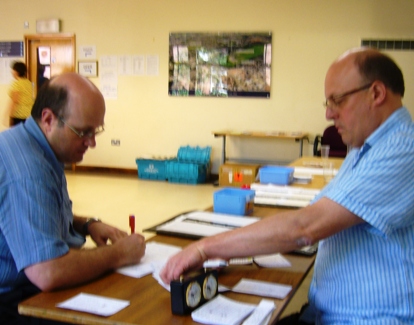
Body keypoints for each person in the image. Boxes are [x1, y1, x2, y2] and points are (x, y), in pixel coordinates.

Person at [161, 48, 414, 324]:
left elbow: (305, 228)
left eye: (337, 100)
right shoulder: (365, 144)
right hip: (328, 313)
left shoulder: (402, 149)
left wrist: (205, 248)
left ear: (376, 94)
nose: (329, 114)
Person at [0, 73, 146, 324]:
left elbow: (39, 212)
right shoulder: (28, 172)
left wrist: (87, 224)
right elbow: (48, 271)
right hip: (14, 298)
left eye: (96, 131)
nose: (91, 142)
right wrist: (119, 254)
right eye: (83, 132)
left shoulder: (30, 146)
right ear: (48, 119)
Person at [7, 61, 34, 126]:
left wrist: (10, 116)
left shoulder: (17, 84)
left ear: (16, 71)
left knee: (16, 135)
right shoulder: (29, 83)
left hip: (18, 115)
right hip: (29, 114)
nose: (11, 72)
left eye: (13, 70)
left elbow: (14, 101)